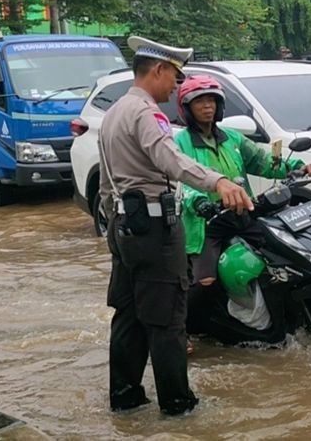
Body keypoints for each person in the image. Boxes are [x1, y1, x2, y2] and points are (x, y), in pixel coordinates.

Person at [100, 36, 253, 416]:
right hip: (154, 231)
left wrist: (115, 233)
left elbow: (106, 185)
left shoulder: (113, 113)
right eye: (175, 77)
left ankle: (125, 399)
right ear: (159, 70)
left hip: (126, 228)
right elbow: (169, 159)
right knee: (168, 320)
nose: (176, 87)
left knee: (130, 316)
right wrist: (218, 181)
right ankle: (179, 408)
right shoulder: (146, 113)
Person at [173, 75, 311, 329]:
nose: (207, 107)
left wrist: (297, 168)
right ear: (187, 109)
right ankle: (182, 328)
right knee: (205, 281)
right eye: (200, 102)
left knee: (283, 254)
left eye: (212, 101)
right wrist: (198, 202)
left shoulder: (233, 138)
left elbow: (264, 163)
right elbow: (181, 183)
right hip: (207, 222)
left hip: (244, 213)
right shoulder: (180, 143)